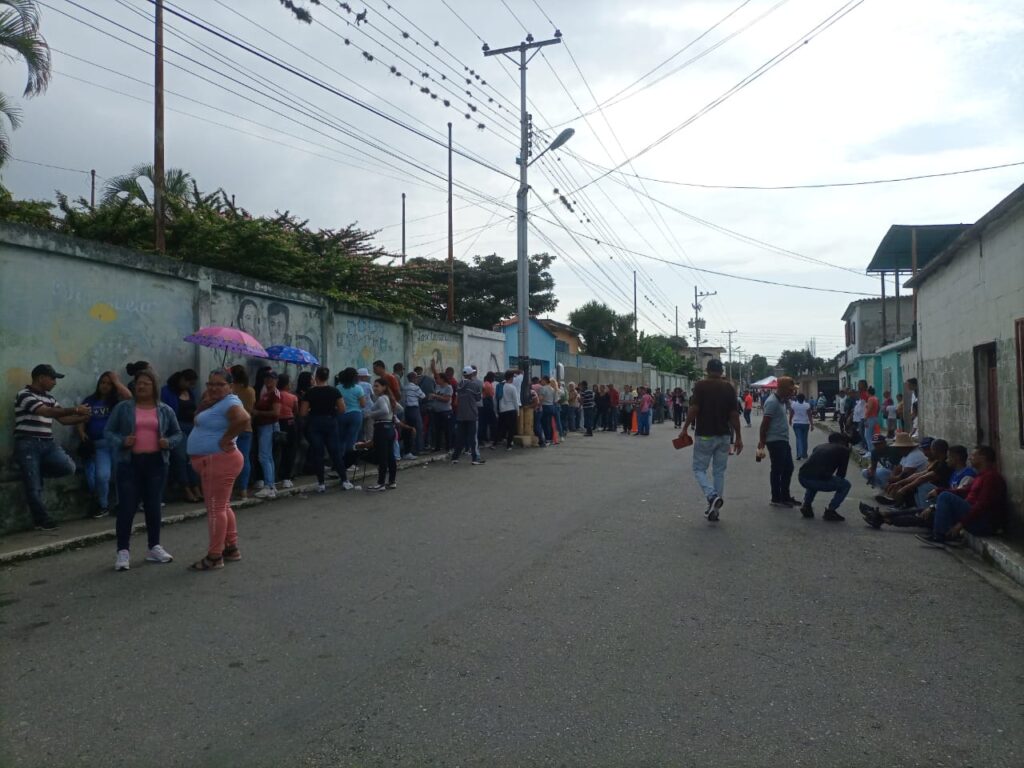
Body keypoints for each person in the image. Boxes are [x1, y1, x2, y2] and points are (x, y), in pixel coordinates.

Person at [104, 368, 182, 571]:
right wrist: (122, 441)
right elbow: (108, 432)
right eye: (138, 382)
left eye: (146, 383)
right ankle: (123, 551)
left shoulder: (164, 410)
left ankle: (154, 546)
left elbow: (177, 434)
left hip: (156, 463)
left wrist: (168, 443)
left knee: (153, 506)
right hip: (129, 463)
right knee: (127, 507)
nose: (141, 386)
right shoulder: (123, 408)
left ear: (154, 386)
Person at [14, 364, 91, 531]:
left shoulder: (50, 398)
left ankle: (37, 470)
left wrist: (83, 418)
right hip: (27, 443)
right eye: (52, 378)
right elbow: (46, 412)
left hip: (47, 443)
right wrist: (76, 409)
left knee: (68, 467)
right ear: (41, 378)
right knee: (33, 487)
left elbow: (63, 419)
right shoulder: (24, 395)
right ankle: (42, 520)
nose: (55, 382)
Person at [187, 369, 250, 570]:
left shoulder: (231, 402)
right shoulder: (218, 402)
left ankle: (215, 556)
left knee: (215, 509)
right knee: (223, 506)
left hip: (218, 460)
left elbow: (243, 419)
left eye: (219, 384)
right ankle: (231, 548)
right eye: (210, 383)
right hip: (216, 460)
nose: (213, 387)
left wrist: (225, 439)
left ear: (230, 386)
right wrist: (205, 404)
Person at [681, 359, 742, 521]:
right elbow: (734, 415)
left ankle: (711, 495)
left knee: (698, 469)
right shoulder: (729, 387)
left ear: (707, 370)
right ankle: (714, 510)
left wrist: (685, 427)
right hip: (724, 436)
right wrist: (739, 437)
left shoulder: (701, 386)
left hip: (705, 435)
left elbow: (694, 408)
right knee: (719, 472)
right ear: (721, 371)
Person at [917, 446, 1007, 547]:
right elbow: (964, 491)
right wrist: (939, 490)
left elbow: (982, 505)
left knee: (945, 496)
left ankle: (939, 536)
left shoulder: (991, 477)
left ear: (982, 458)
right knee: (938, 502)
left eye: (973, 455)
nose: (970, 458)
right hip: (973, 516)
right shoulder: (981, 476)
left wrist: (961, 524)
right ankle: (939, 531)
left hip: (984, 523)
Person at [77, 371, 131, 518]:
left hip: (116, 443)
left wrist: (117, 381)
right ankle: (103, 505)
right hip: (99, 445)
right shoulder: (90, 400)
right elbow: (81, 418)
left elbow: (130, 397)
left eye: (109, 383)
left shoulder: (118, 401)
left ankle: (123, 504)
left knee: (120, 474)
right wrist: (81, 432)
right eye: (103, 382)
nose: (105, 386)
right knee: (102, 476)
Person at [301, 367, 350, 493]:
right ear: (327, 377)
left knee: (318, 453)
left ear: (316, 377)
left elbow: (303, 412)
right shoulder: (334, 391)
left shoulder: (310, 392)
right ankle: (344, 480)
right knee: (335, 452)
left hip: (315, 423)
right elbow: (342, 409)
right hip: (330, 422)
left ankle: (321, 484)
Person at [161, 369, 203, 503]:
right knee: (181, 458)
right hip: (176, 428)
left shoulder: (190, 392)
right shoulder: (167, 391)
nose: (191, 386)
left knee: (193, 459)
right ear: (182, 380)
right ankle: (186, 488)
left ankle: (195, 486)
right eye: (189, 383)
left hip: (191, 427)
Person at [760, 376, 798, 508]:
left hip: (782, 439)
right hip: (775, 440)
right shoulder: (772, 402)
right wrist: (762, 441)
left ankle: (785, 496)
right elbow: (765, 423)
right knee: (778, 469)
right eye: (790, 390)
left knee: (788, 468)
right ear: (782, 389)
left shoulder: (781, 401)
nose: (792, 393)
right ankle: (776, 498)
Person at [797, 432, 851, 521]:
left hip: (802, 477)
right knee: (845, 485)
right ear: (841, 441)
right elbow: (841, 474)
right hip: (815, 479)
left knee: (815, 478)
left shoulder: (819, 446)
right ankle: (831, 510)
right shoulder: (844, 450)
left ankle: (806, 505)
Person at [251, 370, 281, 499]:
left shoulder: (274, 394)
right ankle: (271, 485)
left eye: (272, 378)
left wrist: (257, 413)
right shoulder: (265, 393)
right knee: (267, 456)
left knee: (263, 456)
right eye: (267, 378)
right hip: (263, 426)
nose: (269, 380)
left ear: (276, 380)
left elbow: (276, 413)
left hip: (268, 426)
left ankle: (268, 485)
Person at [862, 432, 928, 490]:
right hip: (903, 476)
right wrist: (892, 476)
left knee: (881, 472)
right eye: (875, 445)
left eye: (879, 444)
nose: (877, 446)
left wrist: (894, 479)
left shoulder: (913, 455)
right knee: (865, 472)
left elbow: (904, 474)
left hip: (917, 480)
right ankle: (884, 489)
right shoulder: (906, 454)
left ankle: (888, 491)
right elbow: (898, 467)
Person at [228, 365, 256, 501]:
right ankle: (243, 490)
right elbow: (250, 409)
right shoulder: (250, 391)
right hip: (246, 427)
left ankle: (230, 488)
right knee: (244, 459)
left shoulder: (230, 390)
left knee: (229, 459)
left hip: (231, 427)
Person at [366, 378, 398, 491]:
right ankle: (392, 481)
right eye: (374, 386)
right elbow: (399, 409)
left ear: (384, 387)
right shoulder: (389, 398)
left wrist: (371, 414)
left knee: (382, 457)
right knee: (390, 456)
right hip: (389, 428)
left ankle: (381, 483)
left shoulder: (381, 399)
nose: (375, 388)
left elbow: (384, 411)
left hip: (381, 428)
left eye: (377, 386)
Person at [452, 366, 485, 464]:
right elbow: (478, 398)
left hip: (461, 414)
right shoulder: (474, 385)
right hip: (472, 414)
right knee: (473, 438)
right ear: (471, 374)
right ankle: (475, 458)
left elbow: (456, 400)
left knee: (460, 437)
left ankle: (455, 458)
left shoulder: (459, 385)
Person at [275, 373, 299, 489]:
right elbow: (296, 411)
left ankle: (275, 476)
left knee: (276, 450)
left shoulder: (274, 395)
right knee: (290, 451)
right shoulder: (292, 397)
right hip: (289, 423)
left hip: (276, 424)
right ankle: (286, 477)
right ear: (286, 384)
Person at [335, 367, 366, 456]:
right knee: (352, 438)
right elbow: (363, 404)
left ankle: (340, 460)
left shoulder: (338, 387)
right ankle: (350, 462)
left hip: (341, 415)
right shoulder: (358, 388)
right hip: (355, 415)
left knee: (341, 438)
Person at [401, 371, 426, 458]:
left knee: (408, 430)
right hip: (414, 409)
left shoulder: (405, 387)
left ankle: (408, 450)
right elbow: (423, 396)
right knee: (418, 429)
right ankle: (418, 449)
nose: (418, 379)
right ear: (414, 378)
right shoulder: (416, 387)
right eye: (417, 378)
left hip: (407, 410)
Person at [497, 369, 522, 450]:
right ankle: (509, 445)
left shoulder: (501, 386)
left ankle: (495, 442)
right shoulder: (512, 388)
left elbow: (498, 398)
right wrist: (518, 411)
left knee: (501, 427)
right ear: (511, 378)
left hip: (502, 409)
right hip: (511, 409)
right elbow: (515, 401)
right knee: (511, 428)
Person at [789, 392, 814, 460]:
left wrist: (790, 420)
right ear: (804, 398)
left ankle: (799, 454)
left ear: (797, 398)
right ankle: (804, 454)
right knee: (804, 439)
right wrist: (812, 425)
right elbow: (809, 415)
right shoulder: (807, 405)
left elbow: (791, 413)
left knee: (798, 438)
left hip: (796, 423)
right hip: (805, 424)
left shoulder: (793, 404)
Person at [537, 375, 557, 447]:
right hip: (551, 406)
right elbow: (555, 400)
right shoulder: (552, 388)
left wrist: (539, 406)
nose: (541, 381)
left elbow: (541, 398)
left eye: (542, 380)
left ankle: (547, 439)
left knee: (545, 424)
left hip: (545, 407)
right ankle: (551, 439)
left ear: (545, 380)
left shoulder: (543, 388)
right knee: (550, 423)